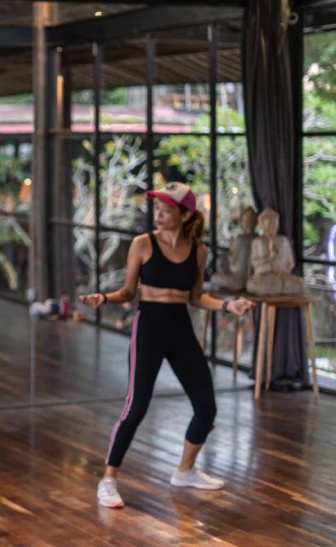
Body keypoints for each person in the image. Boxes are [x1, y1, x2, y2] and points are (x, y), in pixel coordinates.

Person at [79, 182, 253, 509]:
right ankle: (108, 480)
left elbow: (197, 298)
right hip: (149, 327)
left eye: (167, 208)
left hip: (180, 328)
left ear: (185, 214)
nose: (159, 212)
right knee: (136, 407)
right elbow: (129, 292)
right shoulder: (142, 244)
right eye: (158, 207)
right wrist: (103, 297)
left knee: (206, 407)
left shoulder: (198, 251)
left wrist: (229, 306)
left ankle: (185, 471)